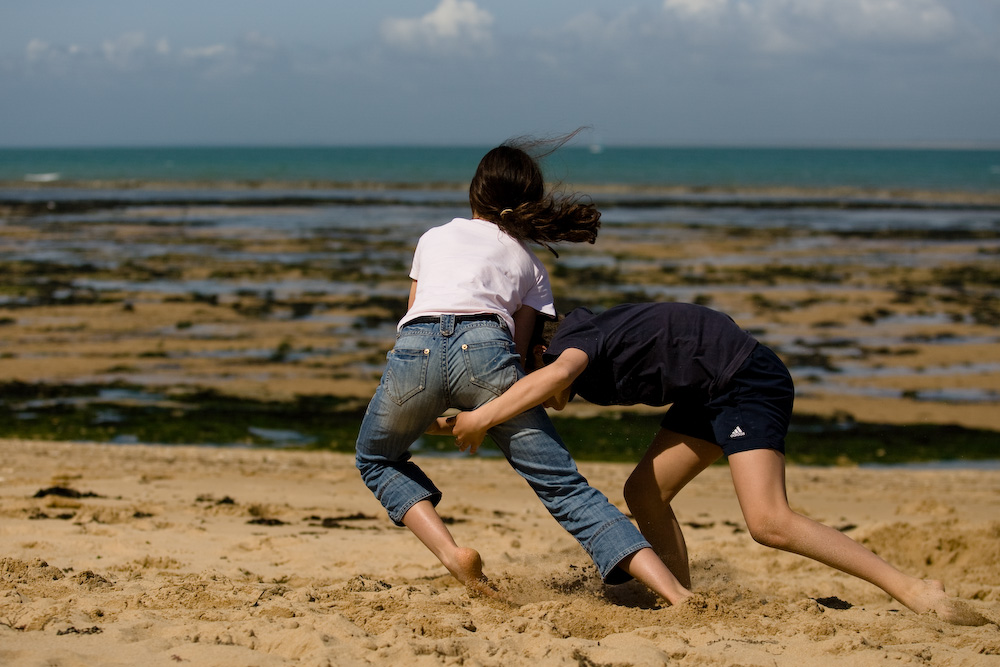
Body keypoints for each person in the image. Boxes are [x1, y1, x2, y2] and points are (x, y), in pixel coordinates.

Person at [448, 301, 987, 625]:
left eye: (525, 379)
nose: (533, 396)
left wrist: (483, 418)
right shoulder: (569, 348)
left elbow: (554, 380)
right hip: (709, 390)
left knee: (769, 523)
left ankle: (916, 591)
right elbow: (545, 386)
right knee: (644, 492)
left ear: (539, 353)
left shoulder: (575, 341)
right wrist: (437, 418)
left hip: (745, 379)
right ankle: (679, 597)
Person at [355, 137, 691, 605]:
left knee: (375, 458)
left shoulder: (432, 237)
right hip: (490, 353)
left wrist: (425, 404)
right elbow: (519, 352)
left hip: (415, 352)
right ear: (526, 205)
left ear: (475, 193)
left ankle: (453, 555)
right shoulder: (530, 265)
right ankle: (676, 594)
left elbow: (416, 316)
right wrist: (485, 405)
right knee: (566, 489)